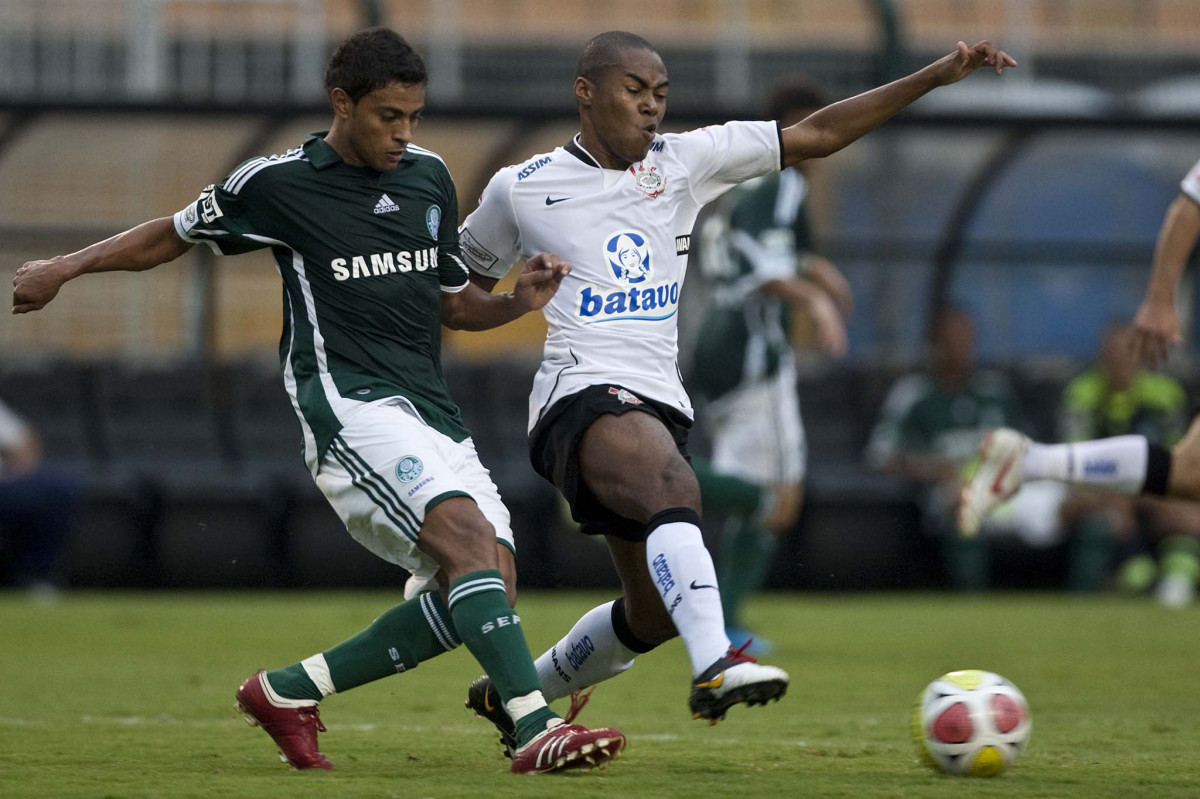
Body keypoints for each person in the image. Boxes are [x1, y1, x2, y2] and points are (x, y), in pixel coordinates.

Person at [11, 28, 626, 774]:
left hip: (430, 409)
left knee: (487, 573)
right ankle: (533, 729)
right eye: (388, 117)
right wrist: (62, 268)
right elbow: (169, 236)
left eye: (414, 117)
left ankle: (288, 690)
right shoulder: (277, 183)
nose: (404, 134)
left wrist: (517, 301)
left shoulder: (428, 178)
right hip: (346, 405)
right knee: (467, 542)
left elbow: (455, 306)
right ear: (343, 103)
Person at [455, 30, 1015, 751]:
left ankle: (512, 692)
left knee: (650, 614)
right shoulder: (521, 186)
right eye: (636, 91)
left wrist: (934, 77)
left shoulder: (685, 162)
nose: (653, 108)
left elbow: (815, 133)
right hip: (579, 394)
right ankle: (715, 662)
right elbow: (458, 297)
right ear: (586, 91)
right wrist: (513, 306)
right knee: (672, 486)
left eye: (661, 94)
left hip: (658, 401)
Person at [962, 160, 1200, 601]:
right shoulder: (1084, 392)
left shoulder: (1159, 394)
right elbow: (1192, 202)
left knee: (1188, 473)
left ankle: (1030, 462)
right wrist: (1160, 298)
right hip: (1098, 501)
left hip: (1134, 493)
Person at [689, 75, 852, 653]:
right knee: (777, 498)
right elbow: (763, 264)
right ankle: (645, 487)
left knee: (758, 499)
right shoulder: (784, 180)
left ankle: (722, 625)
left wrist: (817, 271)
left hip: (716, 343)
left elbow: (767, 250)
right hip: (754, 351)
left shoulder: (746, 181)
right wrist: (816, 302)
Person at [866, 306, 1060, 589]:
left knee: (1077, 504)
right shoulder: (914, 394)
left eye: (966, 339)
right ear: (934, 345)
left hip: (1005, 487)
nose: (960, 348)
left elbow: (1027, 448)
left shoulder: (994, 390)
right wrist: (938, 469)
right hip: (948, 490)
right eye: (952, 340)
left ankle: (1080, 602)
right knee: (963, 499)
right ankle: (972, 603)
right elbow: (880, 455)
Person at [1056, 322, 1199, 598]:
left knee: (1188, 512)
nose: (1120, 359)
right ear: (1101, 356)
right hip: (1097, 493)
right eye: (1112, 352)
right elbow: (1074, 464)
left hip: (1151, 491)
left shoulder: (1166, 396)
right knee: (1111, 512)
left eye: (1128, 351)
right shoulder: (1081, 395)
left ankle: (1176, 584)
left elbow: (1179, 461)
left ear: (1142, 356)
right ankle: (1139, 581)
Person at [0, 399, 80, 593]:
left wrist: (19, 472)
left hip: (5, 484)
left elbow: (24, 440)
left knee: (59, 486)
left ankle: (35, 576)